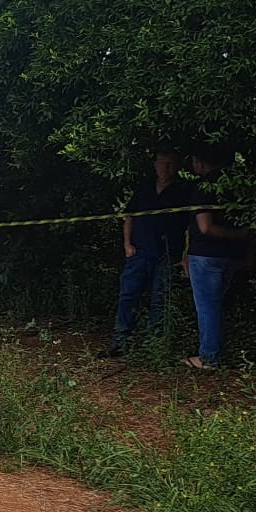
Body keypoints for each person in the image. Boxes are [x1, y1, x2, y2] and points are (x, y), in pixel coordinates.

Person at [102, 150, 190, 357]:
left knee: (160, 299)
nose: (165, 168)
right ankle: (121, 343)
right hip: (139, 252)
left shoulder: (183, 191)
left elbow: (191, 225)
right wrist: (127, 244)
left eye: (170, 163)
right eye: (162, 163)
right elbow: (129, 215)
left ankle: (154, 346)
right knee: (128, 296)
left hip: (168, 254)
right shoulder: (144, 188)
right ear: (155, 164)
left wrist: (186, 254)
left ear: (177, 166)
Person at [183, 144, 254, 370]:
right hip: (233, 256)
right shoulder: (237, 186)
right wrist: (242, 239)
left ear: (200, 162)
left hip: (206, 256)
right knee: (222, 305)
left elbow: (205, 227)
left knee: (207, 307)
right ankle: (234, 351)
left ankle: (209, 357)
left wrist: (236, 234)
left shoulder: (203, 187)